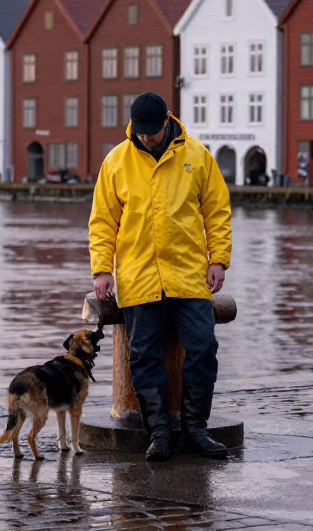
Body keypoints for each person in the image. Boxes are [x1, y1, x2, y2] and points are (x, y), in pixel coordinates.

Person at [89, 92, 232, 462]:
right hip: (138, 276)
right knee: (144, 355)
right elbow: (103, 221)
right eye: (141, 132)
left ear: (167, 121)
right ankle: (160, 436)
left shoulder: (197, 156)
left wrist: (219, 260)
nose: (146, 138)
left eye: (152, 131)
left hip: (188, 275)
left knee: (203, 348)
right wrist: (102, 269)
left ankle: (196, 430)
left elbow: (217, 211)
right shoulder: (116, 161)